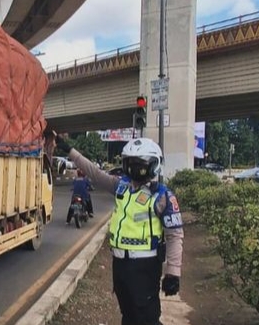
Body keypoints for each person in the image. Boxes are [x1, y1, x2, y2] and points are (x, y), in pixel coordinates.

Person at [55, 134, 183, 325]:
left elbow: (174, 235)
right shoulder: (121, 186)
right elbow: (95, 173)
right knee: (128, 314)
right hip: (120, 265)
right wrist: (70, 151)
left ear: (152, 165)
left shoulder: (162, 196)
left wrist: (173, 272)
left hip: (145, 267)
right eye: (130, 163)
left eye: (139, 164)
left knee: (146, 317)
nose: (134, 168)